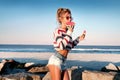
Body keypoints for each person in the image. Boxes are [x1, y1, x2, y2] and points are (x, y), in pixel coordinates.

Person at [47, 8, 86, 80]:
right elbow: (61, 45)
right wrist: (70, 32)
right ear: (60, 19)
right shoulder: (58, 31)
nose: (70, 19)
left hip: (63, 62)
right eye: (67, 17)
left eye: (70, 17)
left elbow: (69, 46)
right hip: (56, 60)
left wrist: (79, 39)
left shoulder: (67, 32)